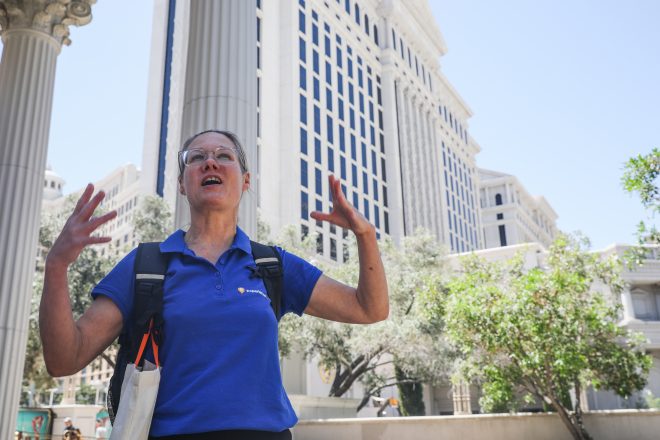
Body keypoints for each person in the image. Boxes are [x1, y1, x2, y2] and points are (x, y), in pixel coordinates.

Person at [40, 129, 389, 439]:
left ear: (245, 180)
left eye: (224, 156)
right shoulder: (145, 266)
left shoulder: (272, 265)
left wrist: (365, 234)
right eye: (197, 158)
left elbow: (369, 309)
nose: (210, 163)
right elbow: (64, 359)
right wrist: (56, 265)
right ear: (181, 183)